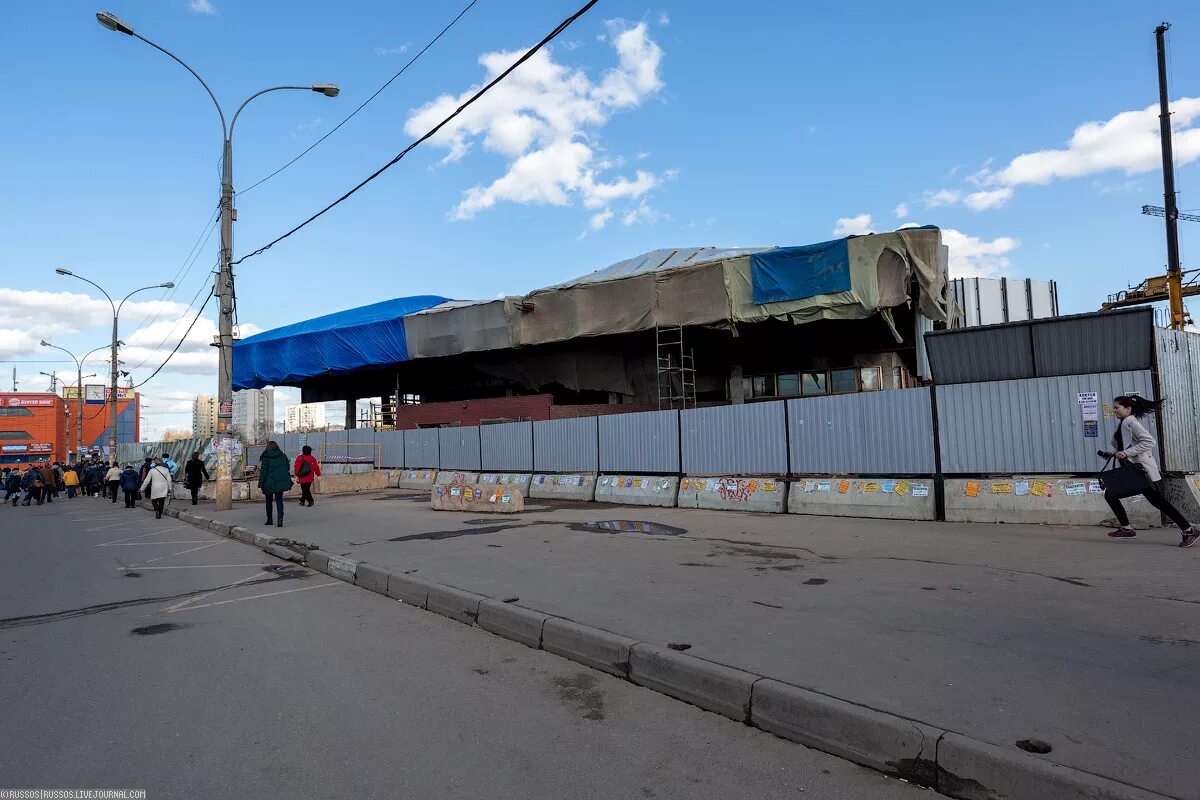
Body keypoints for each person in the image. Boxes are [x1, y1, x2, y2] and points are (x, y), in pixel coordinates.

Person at [1100, 394, 1198, 547]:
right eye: (1114, 407)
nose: (1114, 410)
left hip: (1142, 471)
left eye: (1117, 407)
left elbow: (1149, 442)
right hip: (1131, 471)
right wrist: (1113, 454)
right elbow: (1125, 447)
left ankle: (1189, 531)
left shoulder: (1131, 422)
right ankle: (1126, 529)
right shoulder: (1123, 423)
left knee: (1159, 503)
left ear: (1128, 408)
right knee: (1110, 495)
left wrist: (1126, 453)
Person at [257, 441, 293, 528]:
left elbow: (263, 472)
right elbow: (287, 468)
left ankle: (269, 520)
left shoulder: (266, 457)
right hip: (280, 482)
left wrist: (260, 484)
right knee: (279, 500)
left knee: (269, 501)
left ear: (268, 447)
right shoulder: (283, 456)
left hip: (269, 483)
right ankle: (280, 520)